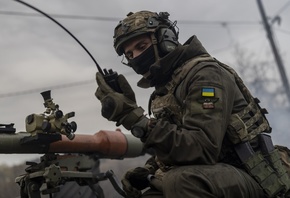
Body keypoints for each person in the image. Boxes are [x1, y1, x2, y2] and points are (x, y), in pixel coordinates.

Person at [95, 11, 290, 198]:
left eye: (142, 46)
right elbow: (179, 143)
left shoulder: (205, 75)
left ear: (166, 39)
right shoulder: (166, 89)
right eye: (129, 54)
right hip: (217, 176)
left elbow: (202, 148)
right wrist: (149, 170)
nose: (136, 57)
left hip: (253, 176)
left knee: (182, 181)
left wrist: (135, 119)